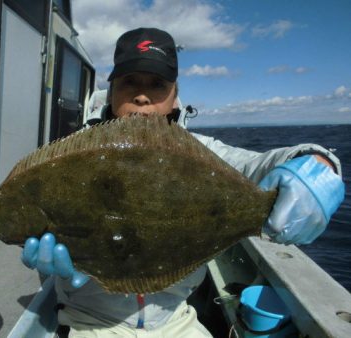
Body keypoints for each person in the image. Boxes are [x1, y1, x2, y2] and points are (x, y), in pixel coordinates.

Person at [21, 28, 345, 337]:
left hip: (178, 319)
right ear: (112, 90)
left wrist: (318, 165)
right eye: (129, 81)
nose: (143, 96)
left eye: (158, 84)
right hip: (91, 321)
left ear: (175, 95)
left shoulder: (202, 153)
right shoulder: (72, 156)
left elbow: (259, 165)